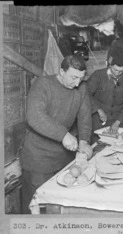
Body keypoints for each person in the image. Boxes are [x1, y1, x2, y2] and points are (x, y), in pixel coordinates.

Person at [20, 55, 93, 214]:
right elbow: (35, 116)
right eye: (74, 77)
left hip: (64, 160)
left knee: (59, 209)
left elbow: (85, 118)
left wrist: (84, 141)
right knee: (36, 210)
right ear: (61, 71)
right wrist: (63, 134)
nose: (77, 83)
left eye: (81, 78)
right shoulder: (43, 84)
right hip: (38, 159)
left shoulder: (81, 88)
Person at [87, 47, 123, 143]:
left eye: (121, 71)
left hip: (117, 120)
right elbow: (85, 95)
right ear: (109, 65)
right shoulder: (98, 76)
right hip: (98, 120)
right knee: (97, 145)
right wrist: (98, 110)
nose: (117, 73)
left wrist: (118, 122)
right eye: (115, 70)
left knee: (117, 145)